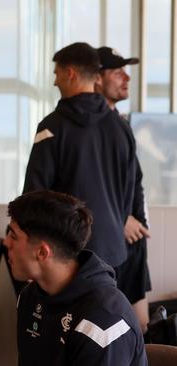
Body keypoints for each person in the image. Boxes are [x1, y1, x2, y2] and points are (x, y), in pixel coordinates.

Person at [23, 42, 137, 279]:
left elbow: (34, 196)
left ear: (70, 73)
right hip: (113, 254)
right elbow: (129, 192)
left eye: (56, 74)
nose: (55, 82)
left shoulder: (51, 127)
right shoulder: (121, 127)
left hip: (65, 256)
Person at [5, 190, 147, 366]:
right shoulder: (29, 297)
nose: (6, 243)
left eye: (13, 236)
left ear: (42, 252)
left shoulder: (103, 321)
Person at [95, 46, 152, 332]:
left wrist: (138, 221)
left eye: (126, 71)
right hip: (108, 246)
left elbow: (134, 181)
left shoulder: (121, 124)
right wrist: (119, 220)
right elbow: (88, 187)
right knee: (115, 330)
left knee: (141, 328)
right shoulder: (88, 128)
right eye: (117, 72)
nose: (126, 78)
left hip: (133, 245)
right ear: (96, 78)